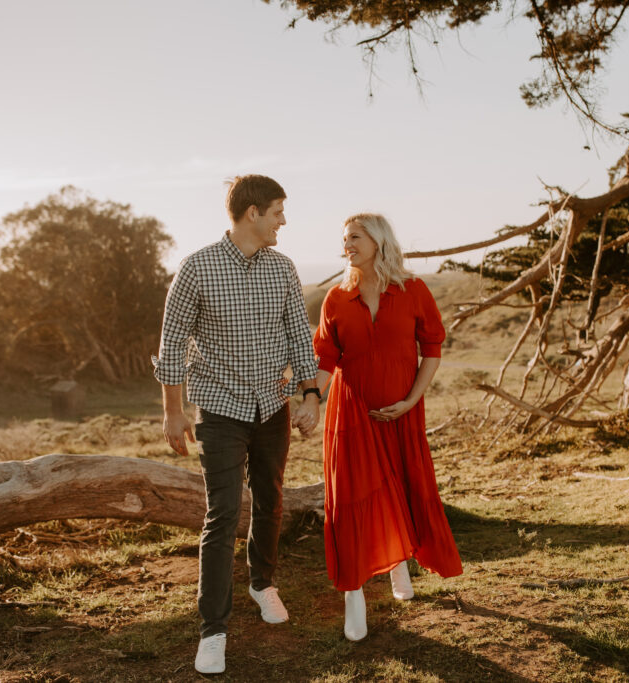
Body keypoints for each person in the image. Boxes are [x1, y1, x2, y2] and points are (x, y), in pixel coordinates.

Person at [153, 174, 320, 675]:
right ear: (253, 213)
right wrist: (172, 410)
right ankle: (213, 630)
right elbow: (173, 341)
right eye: (277, 212)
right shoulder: (198, 268)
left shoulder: (283, 268)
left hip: (272, 408)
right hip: (220, 411)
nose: (282, 221)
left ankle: (262, 583)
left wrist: (310, 394)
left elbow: (297, 332)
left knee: (270, 500)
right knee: (222, 514)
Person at [311, 213, 463, 641]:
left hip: (404, 411)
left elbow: (431, 348)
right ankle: (353, 593)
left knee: (400, 488)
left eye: (354, 237)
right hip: (352, 414)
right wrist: (310, 399)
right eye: (344, 239)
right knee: (351, 500)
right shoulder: (337, 299)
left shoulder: (412, 290)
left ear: (378, 240)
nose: (347, 245)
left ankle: (399, 566)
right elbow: (326, 359)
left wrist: (411, 401)